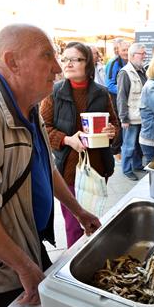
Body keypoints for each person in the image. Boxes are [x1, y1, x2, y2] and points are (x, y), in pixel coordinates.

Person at [0, 24, 101, 307]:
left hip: (28, 244)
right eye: (47, 55)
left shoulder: (29, 106)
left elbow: (45, 165)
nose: (58, 67)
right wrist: (23, 265)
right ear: (12, 62)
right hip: (2, 267)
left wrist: (78, 211)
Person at [40, 42, 120, 249]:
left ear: (88, 63)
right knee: (74, 225)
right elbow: (42, 130)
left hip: (98, 168)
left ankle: (91, 253)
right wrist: (67, 140)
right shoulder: (53, 93)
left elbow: (115, 124)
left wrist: (112, 132)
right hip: (67, 171)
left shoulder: (101, 93)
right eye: (65, 59)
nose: (68, 63)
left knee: (94, 218)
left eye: (75, 59)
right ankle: (73, 265)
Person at [117, 43, 147, 181]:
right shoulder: (125, 72)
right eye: (142, 54)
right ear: (133, 55)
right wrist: (124, 118)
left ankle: (137, 165)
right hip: (131, 117)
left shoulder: (142, 71)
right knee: (129, 146)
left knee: (138, 145)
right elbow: (121, 97)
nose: (144, 56)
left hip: (141, 116)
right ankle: (126, 169)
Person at [105, 41, 130, 161]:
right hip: (115, 98)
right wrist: (124, 90)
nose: (126, 52)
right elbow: (109, 84)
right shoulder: (114, 63)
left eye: (127, 49)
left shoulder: (129, 61)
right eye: (123, 50)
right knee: (118, 124)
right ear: (118, 51)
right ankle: (115, 151)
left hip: (126, 98)